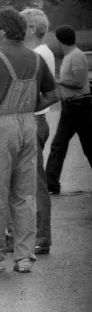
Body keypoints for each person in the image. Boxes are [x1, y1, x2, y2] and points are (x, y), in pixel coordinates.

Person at [0, 8, 57, 273]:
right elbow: (53, 95)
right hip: (28, 124)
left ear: (3, 29)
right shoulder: (35, 57)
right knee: (24, 194)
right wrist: (28, 107)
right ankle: (24, 257)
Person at [20, 8, 54, 252]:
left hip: (35, 121)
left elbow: (42, 94)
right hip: (37, 121)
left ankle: (41, 237)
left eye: (22, 27)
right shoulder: (43, 51)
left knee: (36, 184)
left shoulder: (38, 54)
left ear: (31, 29)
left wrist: (27, 108)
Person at [45, 25, 91, 193]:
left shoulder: (76, 56)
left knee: (88, 145)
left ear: (60, 40)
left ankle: (51, 183)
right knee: (58, 145)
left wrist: (59, 81)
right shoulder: (69, 56)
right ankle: (51, 184)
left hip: (80, 106)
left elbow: (79, 82)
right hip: (69, 107)